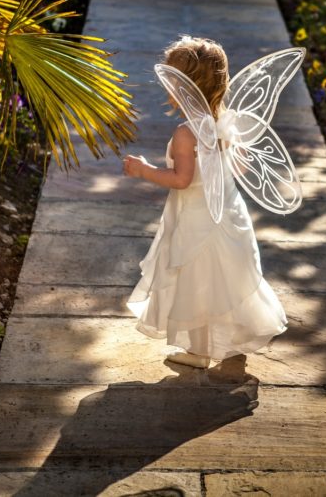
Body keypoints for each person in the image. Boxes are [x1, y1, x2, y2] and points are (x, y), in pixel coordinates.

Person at [122, 36, 289, 369]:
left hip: (197, 219)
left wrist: (144, 170)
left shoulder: (187, 133)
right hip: (229, 214)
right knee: (228, 278)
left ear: (187, 87)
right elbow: (239, 166)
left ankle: (200, 351)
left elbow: (181, 180)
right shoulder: (226, 123)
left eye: (171, 81)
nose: (167, 88)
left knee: (197, 282)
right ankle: (238, 336)